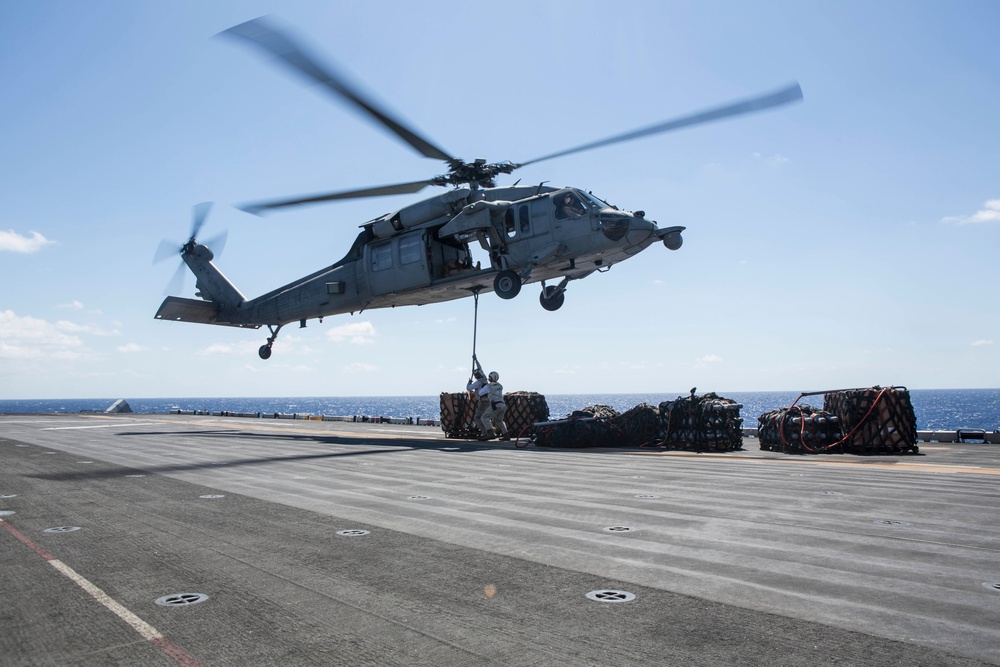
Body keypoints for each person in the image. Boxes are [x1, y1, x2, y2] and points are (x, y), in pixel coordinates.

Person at [478, 371, 510, 441]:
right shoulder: (500, 386)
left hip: (495, 405)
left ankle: (490, 433)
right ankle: (506, 434)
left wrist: (483, 385)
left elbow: (480, 393)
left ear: (491, 378)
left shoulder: (488, 386)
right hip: (503, 405)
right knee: (499, 420)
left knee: (484, 417)